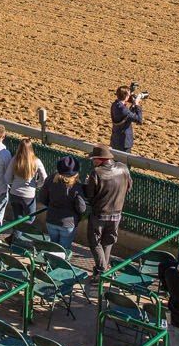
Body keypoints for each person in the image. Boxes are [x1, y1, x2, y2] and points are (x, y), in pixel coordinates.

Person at [83, 144, 132, 276]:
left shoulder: (96, 173)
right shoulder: (123, 168)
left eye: (94, 159)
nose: (93, 162)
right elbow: (129, 187)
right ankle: (102, 272)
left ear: (100, 159)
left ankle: (102, 270)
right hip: (116, 214)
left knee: (94, 242)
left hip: (99, 214)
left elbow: (90, 195)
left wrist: (88, 183)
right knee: (108, 241)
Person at [42, 156, 87, 251]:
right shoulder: (76, 186)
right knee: (63, 251)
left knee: (53, 248)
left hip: (51, 220)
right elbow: (81, 208)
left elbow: (42, 198)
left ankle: (50, 264)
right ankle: (57, 265)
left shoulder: (50, 179)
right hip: (68, 224)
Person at [7, 139, 47, 224]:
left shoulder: (15, 160)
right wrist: (36, 185)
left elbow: (7, 178)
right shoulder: (36, 161)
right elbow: (44, 178)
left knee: (17, 218)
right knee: (30, 218)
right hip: (28, 195)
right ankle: (17, 236)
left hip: (14, 192)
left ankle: (15, 236)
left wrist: (13, 182)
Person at [109, 86, 144, 153]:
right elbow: (139, 120)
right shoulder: (123, 109)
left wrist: (133, 105)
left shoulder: (115, 104)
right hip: (124, 142)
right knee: (124, 162)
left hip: (115, 140)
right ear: (126, 96)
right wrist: (137, 104)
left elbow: (127, 115)